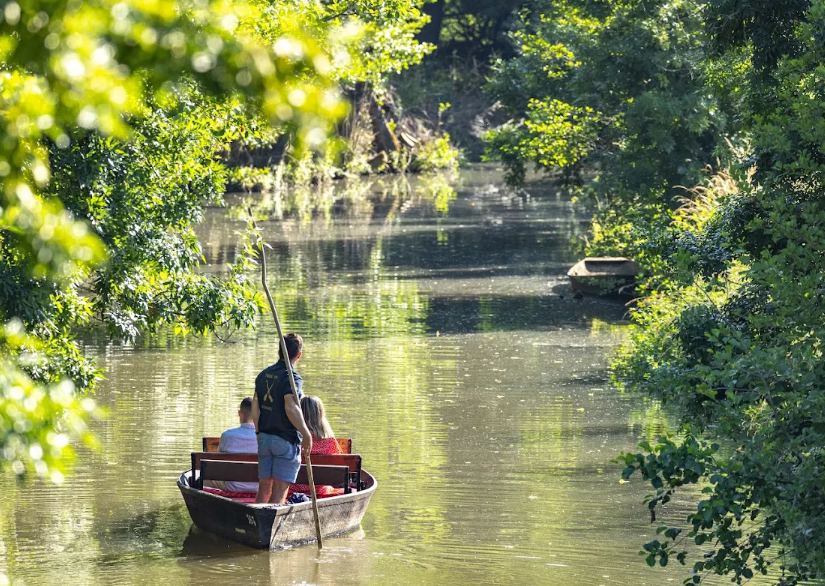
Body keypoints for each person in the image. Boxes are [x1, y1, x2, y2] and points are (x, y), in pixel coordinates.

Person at [251, 333, 313, 504]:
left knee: (264, 486)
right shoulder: (292, 378)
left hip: (264, 437)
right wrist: (306, 434)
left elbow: (255, 405)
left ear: (279, 351)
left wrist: (258, 431)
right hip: (285, 439)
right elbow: (290, 406)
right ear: (298, 355)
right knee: (279, 488)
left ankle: (258, 524)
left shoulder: (263, 375)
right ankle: (270, 526)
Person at [203, 397, 259, 494]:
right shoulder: (264, 437)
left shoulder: (227, 435)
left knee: (200, 478)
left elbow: (218, 461)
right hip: (260, 487)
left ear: (239, 414)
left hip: (232, 486)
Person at [290, 395, 343, 497]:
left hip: (293, 488)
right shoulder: (329, 441)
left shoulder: (293, 439)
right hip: (320, 490)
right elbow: (338, 468)